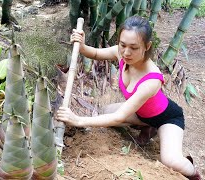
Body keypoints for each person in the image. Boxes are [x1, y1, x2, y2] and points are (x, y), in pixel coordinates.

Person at [56, 16, 201, 180]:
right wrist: (81, 45)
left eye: (133, 47)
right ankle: (147, 126)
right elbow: (95, 53)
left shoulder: (152, 79)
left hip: (167, 118)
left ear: (147, 46)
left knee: (171, 161)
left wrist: (78, 120)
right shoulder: (121, 54)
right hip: (141, 113)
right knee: (104, 111)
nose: (126, 52)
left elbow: (119, 117)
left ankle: (194, 172)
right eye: (122, 44)